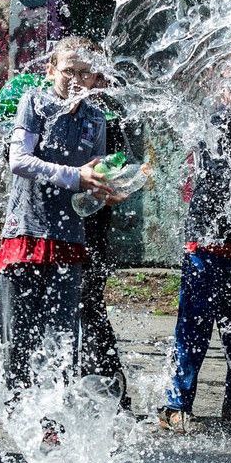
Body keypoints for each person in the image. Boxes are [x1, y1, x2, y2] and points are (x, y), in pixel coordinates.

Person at [0, 36, 114, 445]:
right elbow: (19, 161)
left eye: (85, 73)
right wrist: (76, 176)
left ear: (95, 78)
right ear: (51, 71)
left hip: (69, 242)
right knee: (18, 342)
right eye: (69, 71)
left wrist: (103, 189)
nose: (76, 80)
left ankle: (52, 433)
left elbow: (89, 189)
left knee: (62, 346)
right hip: (25, 236)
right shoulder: (34, 102)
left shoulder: (96, 120)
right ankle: (17, 430)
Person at [157, 57, 231, 433]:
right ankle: (175, 404)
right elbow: (213, 172)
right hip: (205, 244)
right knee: (193, 329)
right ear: (220, 87)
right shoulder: (209, 122)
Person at [79, 69, 140, 411]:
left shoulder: (108, 119)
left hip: (92, 226)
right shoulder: (47, 111)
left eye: (92, 76)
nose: (87, 82)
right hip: (52, 227)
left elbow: (130, 168)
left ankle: (114, 398)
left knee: (88, 305)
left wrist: (118, 187)